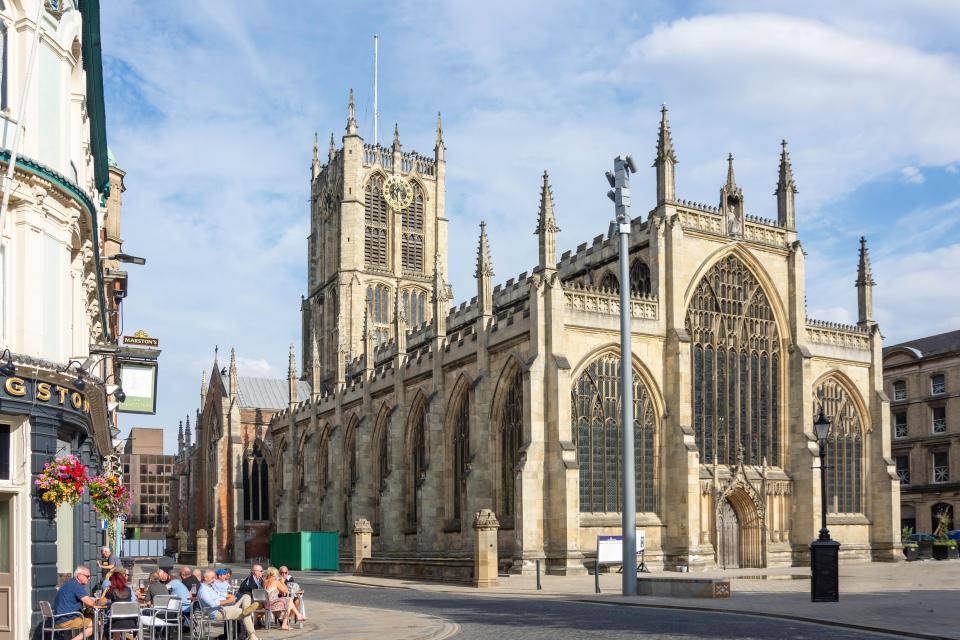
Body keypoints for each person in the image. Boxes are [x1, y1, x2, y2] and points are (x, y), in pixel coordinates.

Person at [197, 569, 260, 640]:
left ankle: (246, 609)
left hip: (225, 608)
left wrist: (228, 596)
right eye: (212, 578)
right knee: (244, 613)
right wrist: (228, 600)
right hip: (218, 612)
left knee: (246, 596)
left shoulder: (210, 586)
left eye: (214, 577)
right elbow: (213, 604)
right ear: (205, 578)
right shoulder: (203, 590)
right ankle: (252, 636)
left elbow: (219, 594)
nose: (214, 579)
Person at [52, 566, 97, 640]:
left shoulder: (70, 583)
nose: (89, 579)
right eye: (87, 576)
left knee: (91, 618)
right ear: (79, 575)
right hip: (67, 620)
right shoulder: (76, 586)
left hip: (59, 619)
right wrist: (95, 601)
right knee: (98, 624)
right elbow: (90, 603)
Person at [98, 570, 137, 640]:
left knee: (109, 622)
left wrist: (105, 591)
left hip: (116, 622)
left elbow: (100, 603)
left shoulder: (111, 590)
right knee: (116, 618)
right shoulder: (128, 589)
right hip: (130, 620)